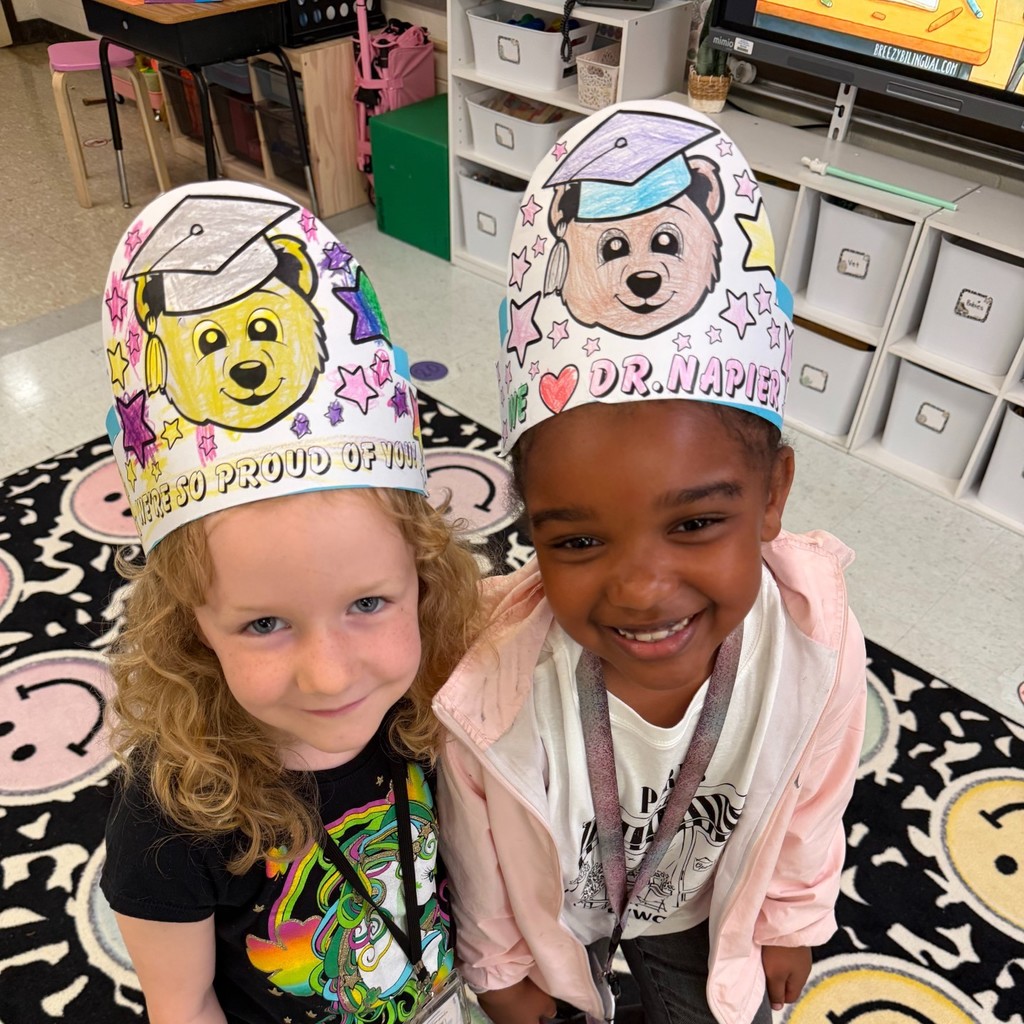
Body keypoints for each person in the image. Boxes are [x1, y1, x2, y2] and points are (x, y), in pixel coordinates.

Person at [432, 100, 867, 1024]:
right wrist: (502, 966)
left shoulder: (817, 639)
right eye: (578, 541)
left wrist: (793, 913)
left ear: (773, 497)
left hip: (706, 912)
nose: (640, 588)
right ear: (532, 531)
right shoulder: (492, 685)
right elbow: (473, 839)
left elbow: (817, 788)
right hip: (563, 922)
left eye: (697, 523)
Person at [98, 181, 481, 1024]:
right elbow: (183, 1000)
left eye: (370, 604)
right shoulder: (169, 814)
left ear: (424, 581)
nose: (329, 672)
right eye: (264, 623)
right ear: (190, 626)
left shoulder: (422, 704)